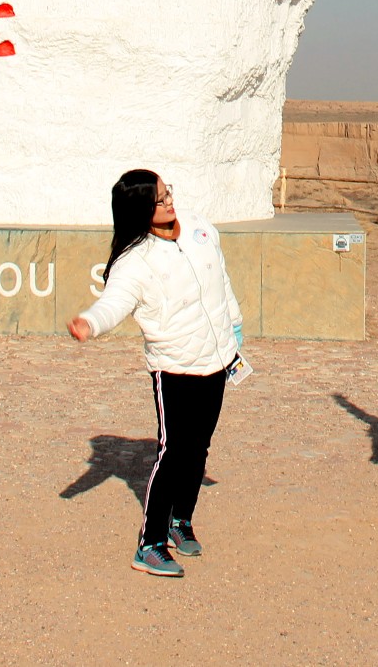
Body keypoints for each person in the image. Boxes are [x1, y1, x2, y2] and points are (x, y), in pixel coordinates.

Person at [68, 169, 244, 579]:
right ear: (140, 209)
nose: (169, 202)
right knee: (173, 451)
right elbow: (111, 304)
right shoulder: (135, 261)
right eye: (159, 199)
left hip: (216, 359)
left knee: (199, 447)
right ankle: (149, 544)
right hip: (176, 366)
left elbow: (222, 279)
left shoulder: (200, 230)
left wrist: (234, 328)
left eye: (168, 194)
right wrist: (89, 324)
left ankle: (180, 520)